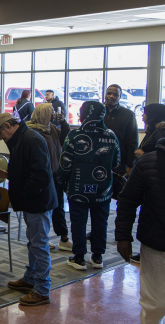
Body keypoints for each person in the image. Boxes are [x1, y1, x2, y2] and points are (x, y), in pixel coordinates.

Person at [0, 113, 57, 306]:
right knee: (33, 243)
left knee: (39, 244)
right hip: (33, 201)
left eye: (0, 133)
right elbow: (28, 170)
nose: (1, 138)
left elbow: (41, 176)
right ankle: (31, 278)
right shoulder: (22, 139)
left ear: (9, 126)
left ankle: (42, 290)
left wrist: (23, 194)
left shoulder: (31, 140)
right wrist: (8, 174)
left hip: (37, 202)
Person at [57, 101, 120, 271]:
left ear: (84, 115)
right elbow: (117, 162)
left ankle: (79, 258)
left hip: (79, 188)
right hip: (103, 188)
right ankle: (98, 257)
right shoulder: (110, 135)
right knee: (101, 221)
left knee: (78, 221)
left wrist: (61, 182)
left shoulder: (74, 135)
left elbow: (65, 164)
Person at [115, 137, 165, 324]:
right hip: (157, 244)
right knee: (155, 304)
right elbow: (127, 200)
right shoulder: (148, 162)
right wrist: (123, 236)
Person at [27, 103, 72, 251]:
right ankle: (42, 238)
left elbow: (66, 136)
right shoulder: (32, 131)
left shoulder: (52, 129)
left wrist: (63, 121)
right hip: (42, 176)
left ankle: (63, 237)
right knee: (44, 210)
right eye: (51, 112)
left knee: (59, 205)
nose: (54, 114)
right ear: (43, 114)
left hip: (55, 173)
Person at [129, 103, 165, 265]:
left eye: (145, 113)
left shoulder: (160, 132)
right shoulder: (153, 130)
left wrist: (143, 155)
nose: (142, 116)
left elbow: (160, 156)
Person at [103, 84, 138, 177]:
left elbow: (132, 140)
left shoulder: (128, 114)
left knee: (117, 189)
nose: (111, 96)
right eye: (109, 93)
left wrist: (130, 164)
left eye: (115, 95)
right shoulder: (98, 112)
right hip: (97, 159)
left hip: (119, 161)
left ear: (120, 97)